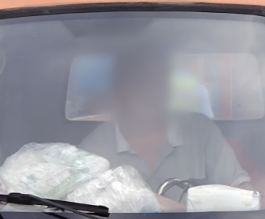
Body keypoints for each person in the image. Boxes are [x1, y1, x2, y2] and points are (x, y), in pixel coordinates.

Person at [79, 47, 249, 194]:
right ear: (120, 89)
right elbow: (80, 208)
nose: (150, 89)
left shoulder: (200, 130)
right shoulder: (94, 148)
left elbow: (241, 189)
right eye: (139, 79)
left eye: (158, 77)